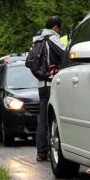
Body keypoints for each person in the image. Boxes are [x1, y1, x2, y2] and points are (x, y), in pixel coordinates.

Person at [32, 16, 66, 162]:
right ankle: (57, 151)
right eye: (60, 28)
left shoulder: (37, 40)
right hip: (51, 83)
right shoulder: (51, 38)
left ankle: (41, 152)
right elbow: (65, 54)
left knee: (43, 120)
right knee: (54, 118)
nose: (60, 31)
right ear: (55, 28)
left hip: (41, 84)